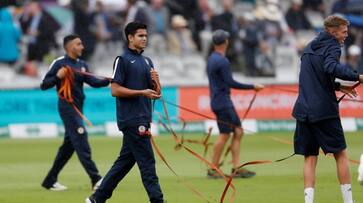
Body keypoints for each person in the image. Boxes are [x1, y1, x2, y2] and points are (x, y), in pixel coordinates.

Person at [86, 22, 164, 203]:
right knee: (147, 164)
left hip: (143, 117)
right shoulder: (122, 60)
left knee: (124, 163)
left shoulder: (147, 61)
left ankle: (97, 199)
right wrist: (141, 92)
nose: (144, 39)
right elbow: (114, 90)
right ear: (130, 38)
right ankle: (157, 200)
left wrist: (156, 82)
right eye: (140, 36)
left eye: (145, 35)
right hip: (132, 119)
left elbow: (156, 94)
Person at [292, 15, 363, 203]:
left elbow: (317, 77)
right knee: (341, 154)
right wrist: (358, 77)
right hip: (323, 111)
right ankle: (349, 201)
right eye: (344, 31)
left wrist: (339, 86)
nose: (346, 35)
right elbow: (332, 67)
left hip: (303, 110)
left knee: (310, 157)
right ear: (333, 31)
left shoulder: (310, 47)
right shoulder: (332, 46)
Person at [40, 34, 110, 191]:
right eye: (79, 44)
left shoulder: (83, 64)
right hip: (67, 107)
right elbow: (44, 85)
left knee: (68, 147)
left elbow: (94, 82)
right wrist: (57, 77)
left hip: (79, 108)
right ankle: (96, 178)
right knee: (81, 138)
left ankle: (49, 180)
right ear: (71, 46)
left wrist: (110, 80)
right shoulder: (59, 63)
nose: (82, 47)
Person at [206, 29, 264, 179]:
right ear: (226, 42)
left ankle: (235, 167)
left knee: (237, 132)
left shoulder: (212, 58)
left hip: (218, 101)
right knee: (225, 135)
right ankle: (214, 168)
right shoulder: (222, 61)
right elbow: (230, 82)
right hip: (223, 102)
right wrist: (252, 86)